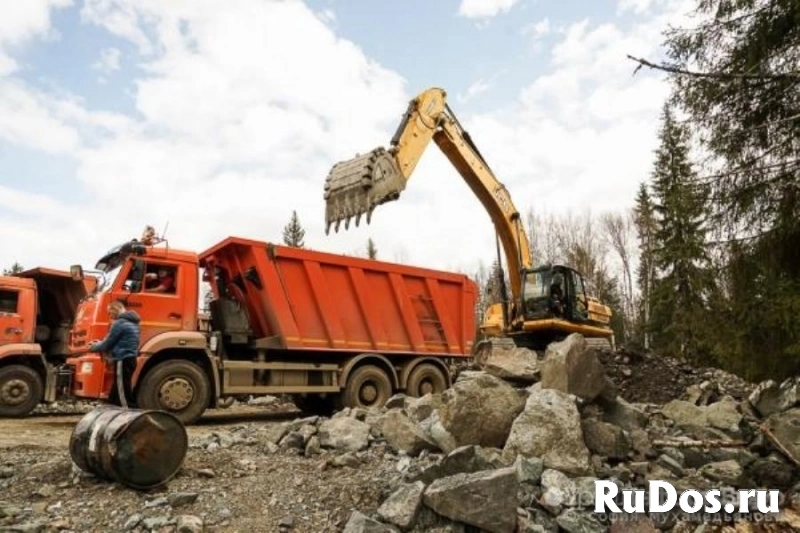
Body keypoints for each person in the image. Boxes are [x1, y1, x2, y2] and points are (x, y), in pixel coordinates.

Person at [88, 300, 141, 408]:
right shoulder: (133, 323)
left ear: (115, 309)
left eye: (110, 312)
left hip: (122, 359)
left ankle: (128, 411)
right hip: (130, 358)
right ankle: (111, 403)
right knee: (119, 385)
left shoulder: (119, 323)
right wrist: (100, 343)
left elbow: (108, 343)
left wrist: (92, 347)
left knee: (122, 390)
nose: (110, 315)